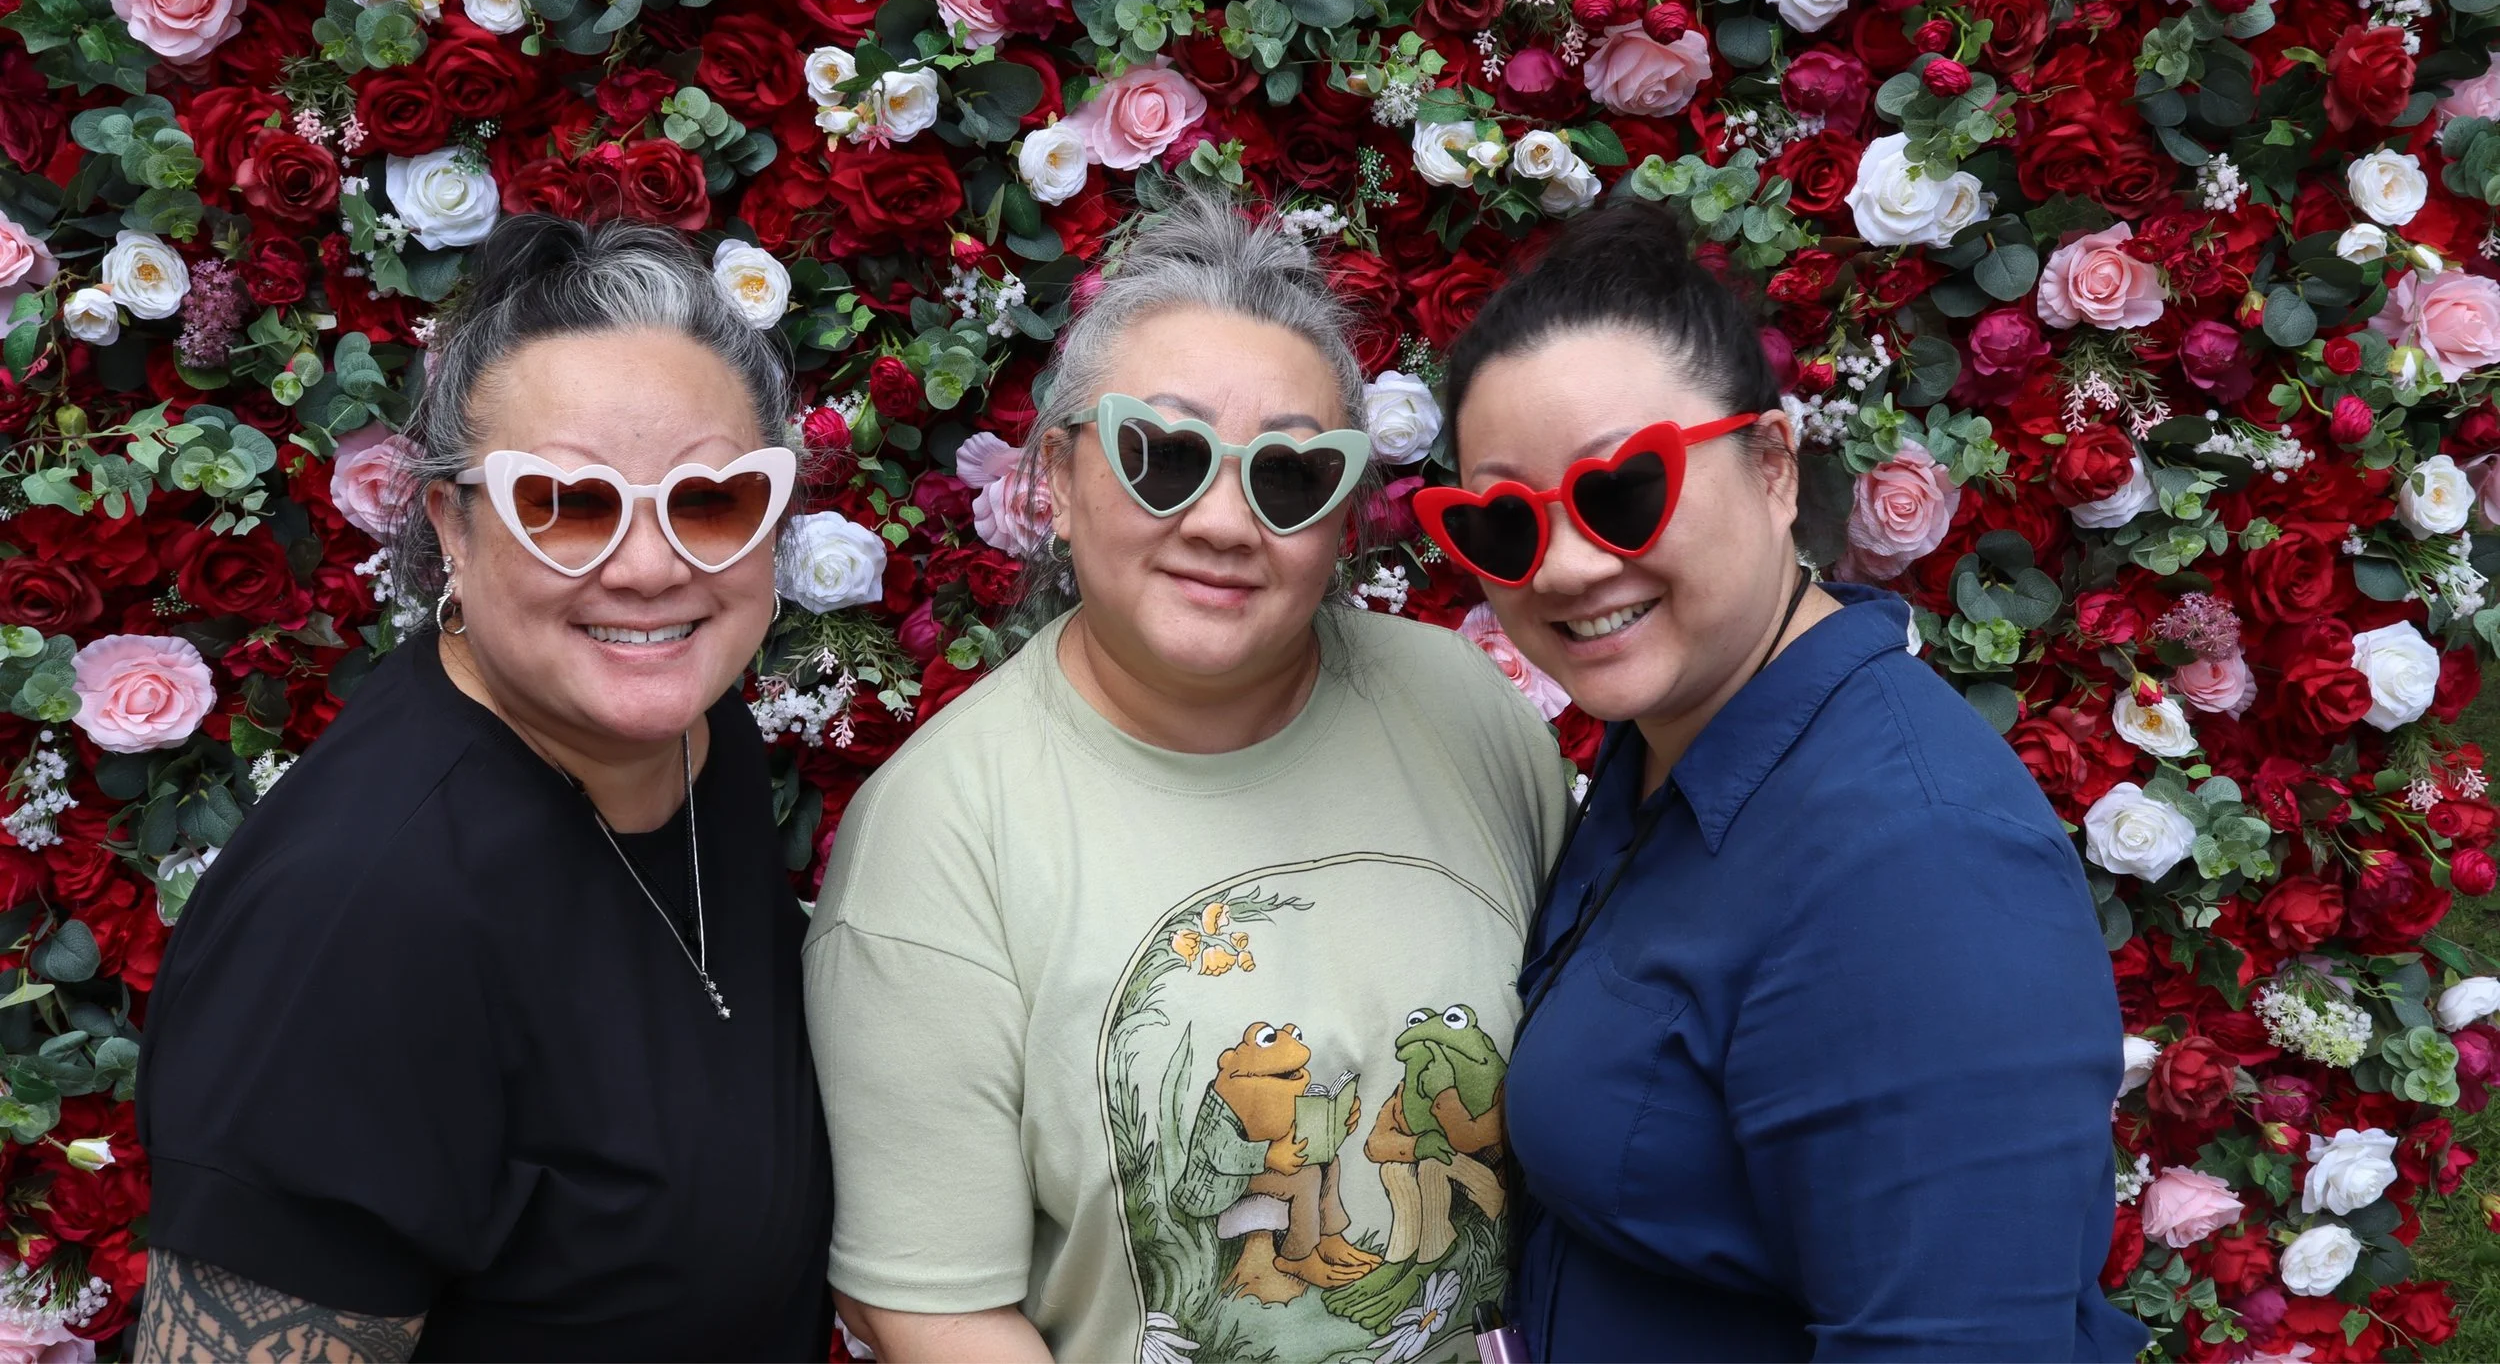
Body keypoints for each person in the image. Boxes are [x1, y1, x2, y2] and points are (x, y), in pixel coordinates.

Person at [805, 195, 1573, 1364]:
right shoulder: (944, 831)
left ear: (1341, 516)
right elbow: (931, 1305)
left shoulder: (1465, 710)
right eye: (1161, 456)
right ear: (1057, 478)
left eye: (1288, 474)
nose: (1223, 520)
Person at [1416, 201, 2148, 1362]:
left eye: (1622, 491)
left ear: (1768, 466)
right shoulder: (1673, 743)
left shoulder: (1918, 860)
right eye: (1501, 524)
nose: (1560, 564)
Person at [135, 217, 833, 1362]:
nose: (653, 567)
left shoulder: (696, 735)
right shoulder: (359, 920)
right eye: (567, 504)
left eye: (710, 499)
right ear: (452, 525)